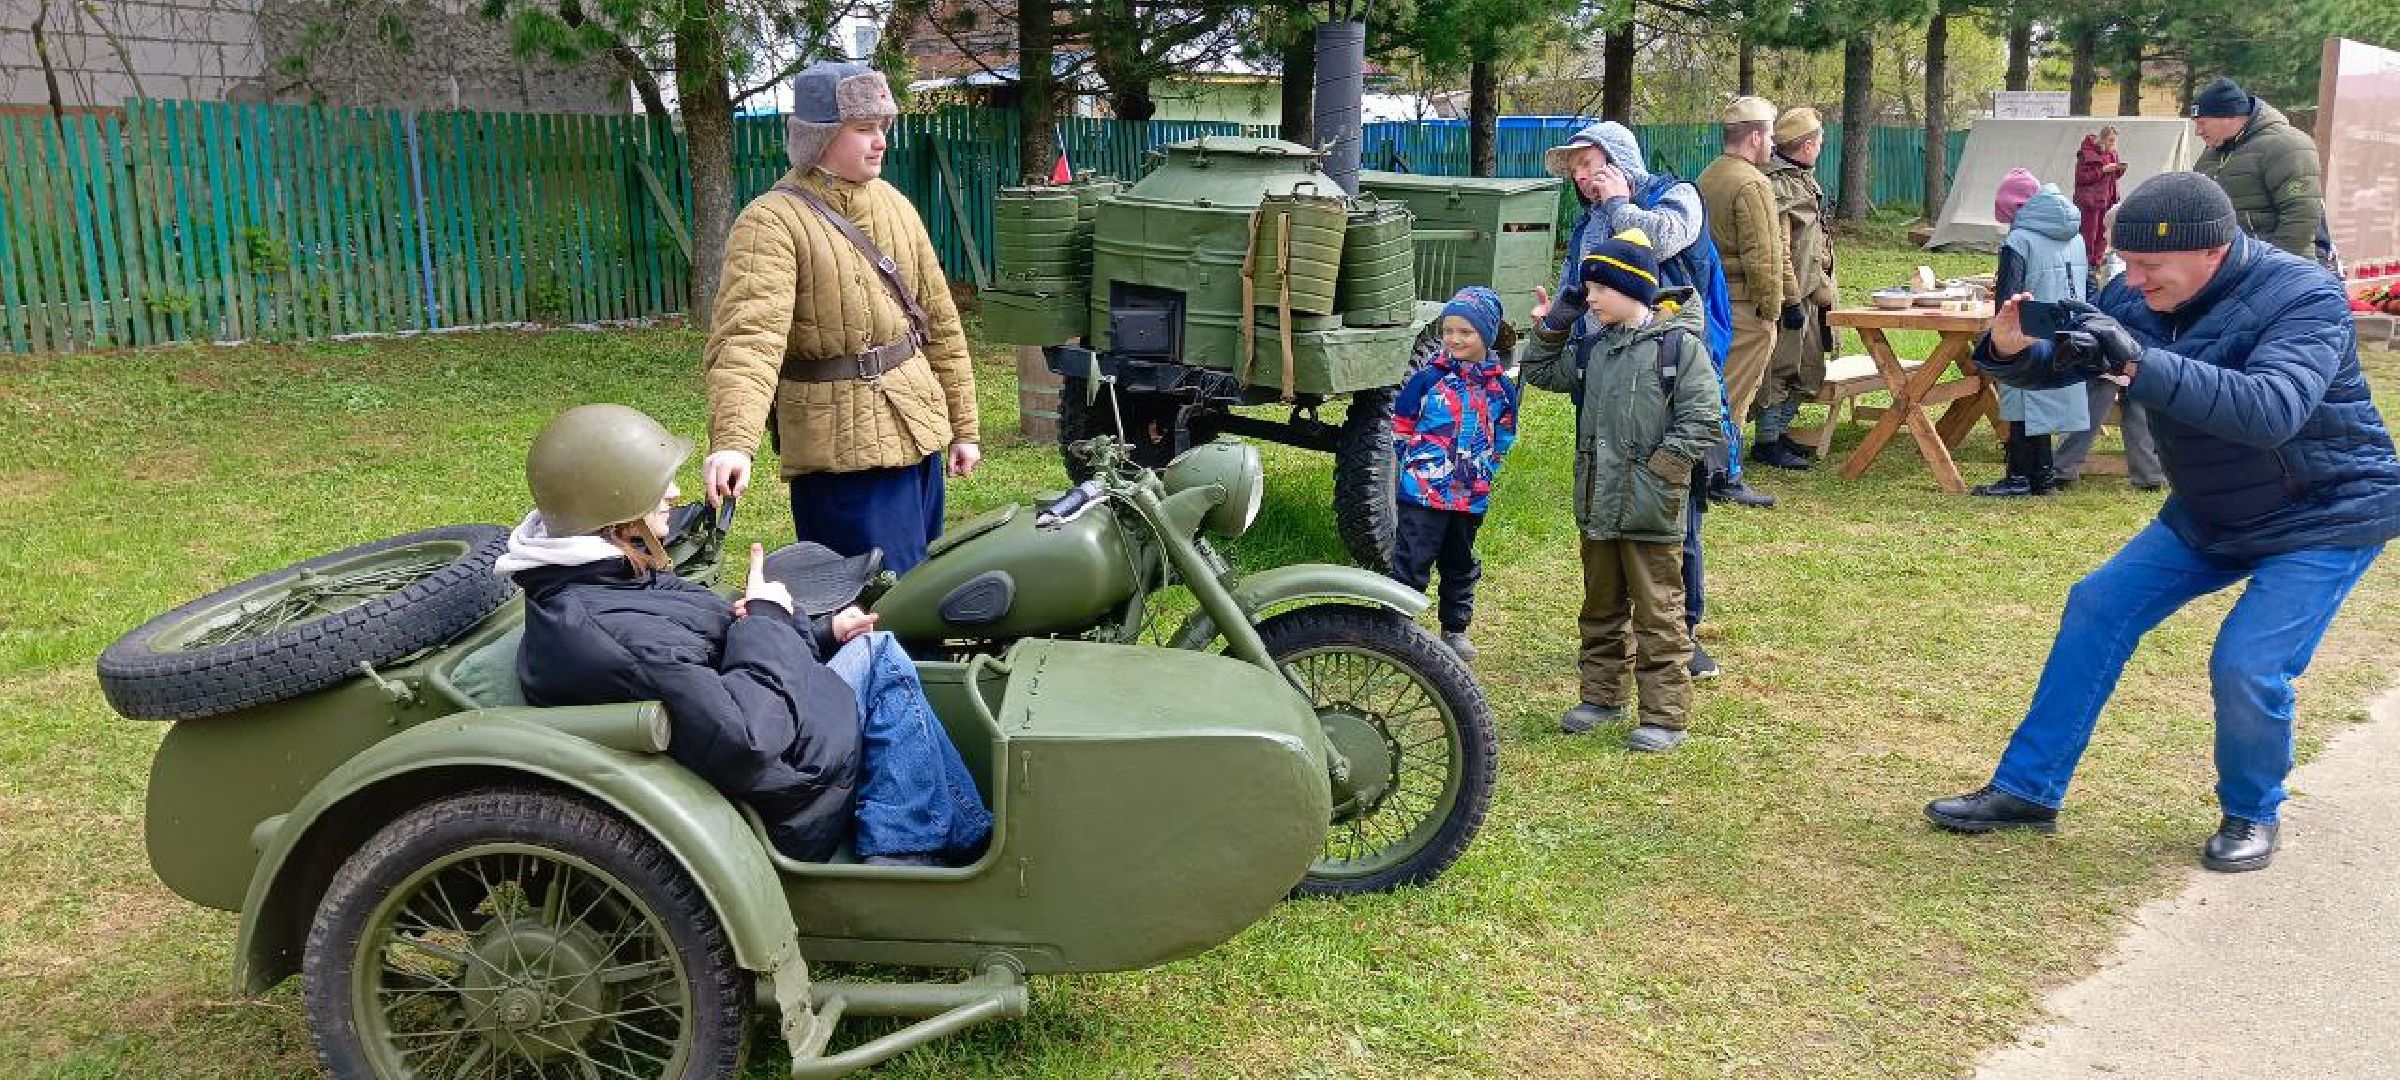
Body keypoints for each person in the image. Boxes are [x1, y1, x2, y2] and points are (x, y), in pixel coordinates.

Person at [1926, 173, 2400, 872]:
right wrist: (2008, 350)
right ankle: (2028, 791)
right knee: (2097, 606)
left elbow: (2271, 410)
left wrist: (2138, 362)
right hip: (2211, 511)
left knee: (2247, 662)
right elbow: (2071, 362)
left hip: (2324, 512)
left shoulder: (2305, 296)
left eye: (2148, 266)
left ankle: (2251, 810)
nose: (2133, 281)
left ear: (2212, 250)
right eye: (2127, 263)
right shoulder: (2135, 293)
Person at [502, 403, 993, 865]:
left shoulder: (602, 577)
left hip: (765, 746)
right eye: (657, 490)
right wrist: (766, 616)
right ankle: (905, 858)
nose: (674, 496)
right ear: (616, 512)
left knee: (867, 647)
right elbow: (750, 738)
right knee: (880, 655)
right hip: (788, 792)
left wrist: (817, 633)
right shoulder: (613, 624)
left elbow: (716, 653)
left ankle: (960, 835)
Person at [701, 61, 980, 575]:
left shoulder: (895, 205)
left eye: (883, 127)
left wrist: (964, 427)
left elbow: (938, 321)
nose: (880, 142)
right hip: (842, 453)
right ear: (821, 136)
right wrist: (734, 442)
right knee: (870, 606)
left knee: (924, 589)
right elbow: (749, 339)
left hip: (917, 436)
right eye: (863, 128)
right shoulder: (771, 223)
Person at [1543, 119, 1755, 682]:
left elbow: (1660, 240)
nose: (1585, 179)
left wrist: (1619, 204)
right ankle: (1617, 631)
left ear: (1620, 158)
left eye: (1592, 165)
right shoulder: (1590, 222)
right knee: (1610, 501)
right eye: (1578, 171)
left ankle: (1683, 632)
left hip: (1670, 374)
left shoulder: (1676, 195)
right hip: (1607, 376)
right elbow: (1587, 292)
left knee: (1672, 504)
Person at [1521, 229, 1725, 753]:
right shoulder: (1596, 348)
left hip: (1651, 508)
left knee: (1658, 614)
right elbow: (1541, 372)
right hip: (1598, 504)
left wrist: (1659, 475)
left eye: (1594, 288)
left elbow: (1702, 418)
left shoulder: (1680, 348)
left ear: (1628, 288)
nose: (1588, 296)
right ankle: (1601, 697)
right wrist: (1558, 320)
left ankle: (1664, 715)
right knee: (1600, 608)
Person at [1389, 286, 1520, 663]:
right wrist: (1416, 462)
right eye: (1448, 331)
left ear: (1487, 335)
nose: (1454, 339)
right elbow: (1402, 423)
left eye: (1466, 332)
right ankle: (1398, 624)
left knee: (1459, 560)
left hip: (1470, 493)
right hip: (1423, 492)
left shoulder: (1501, 388)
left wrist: (1486, 467)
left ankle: (1455, 628)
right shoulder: (1429, 380)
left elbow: (1505, 433)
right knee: (1412, 556)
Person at [1697, 95, 1800, 497]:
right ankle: (1724, 476)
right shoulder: (1752, 182)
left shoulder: (1709, 175)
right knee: (1734, 394)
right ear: (1755, 137)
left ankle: (1709, 471)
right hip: (1744, 305)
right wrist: (1774, 310)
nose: (1773, 145)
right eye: (1771, 136)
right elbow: (1764, 256)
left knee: (1712, 385)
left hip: (1712, 300)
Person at [1976, 170, 2089, 498]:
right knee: (2043, 398)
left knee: (2023, 397)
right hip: (2066, 327)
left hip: (2027, 327)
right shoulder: (2075, 236)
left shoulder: (2020, 240)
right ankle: (2043, 477)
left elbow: (2007, 297)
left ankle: (2020, 477)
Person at [2055, 204, 2167, 492]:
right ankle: (2148, 473)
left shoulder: (2139, 276)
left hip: (2134, 352)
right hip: (2131, 353)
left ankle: (2065, 465)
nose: (2103, 233)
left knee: (2108, 388)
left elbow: (2129, 319)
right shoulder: (2123, 274)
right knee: (2123, 391)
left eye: (2108, 228)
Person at [1754, 106, 1837, 471]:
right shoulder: (1779, 187)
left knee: (1809, 367)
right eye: (1818, 141)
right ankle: (1767, 441)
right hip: (1794, 295)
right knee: (1781, 368)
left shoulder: (1801, 180)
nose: (1820, 147)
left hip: (1812, 291)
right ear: (1805, 146)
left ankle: (1780, 432)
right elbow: (1781, 250)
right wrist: (1789, 300)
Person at [2191, 76, 2331, 267]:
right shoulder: (2212, 154)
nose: (2198, 132)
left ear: (2229, 116)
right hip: (2230, 269)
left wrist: (2273, 268)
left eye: (2202, 122)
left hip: (2274, 270)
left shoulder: (2286, 145)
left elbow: (2300, 217)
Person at [2073, 126, 2126, 285]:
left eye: (2114, 141)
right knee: (2089, 233)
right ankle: (2086, 263)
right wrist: (2102, 170)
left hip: (2107, 198)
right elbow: (2081, 177)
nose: (2112, 144)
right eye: (2110, 140)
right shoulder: (2088, 154)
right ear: (2102, 139)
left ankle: (2096, 262)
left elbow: (2113, 177)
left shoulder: (2112, 154)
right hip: (2091, 200)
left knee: (2103, 233)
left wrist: (2118, 169)